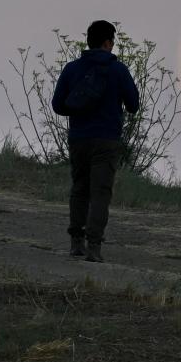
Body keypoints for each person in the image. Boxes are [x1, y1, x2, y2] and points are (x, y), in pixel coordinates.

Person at [51, 20, 139, 263]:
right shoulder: (118, 70)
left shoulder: (72, 69)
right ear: (108, 42)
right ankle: (94, 247)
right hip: (107, 140)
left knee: (79, 189)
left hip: (79, 139)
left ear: (88, 41)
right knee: (100, 193)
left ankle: (75, 244)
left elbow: (58, 106)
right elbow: (134, 105)